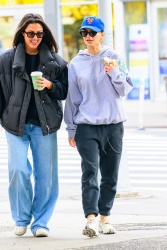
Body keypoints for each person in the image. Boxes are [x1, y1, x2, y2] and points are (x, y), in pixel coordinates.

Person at [64, 16, 133, 237]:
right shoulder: (76, 63)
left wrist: (113, 72)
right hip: (87, 126)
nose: (88, 37)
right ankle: (91, 219)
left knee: (110, 174)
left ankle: (105, 217)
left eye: (92, 33)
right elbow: (72, 98)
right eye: (84, 33)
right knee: (90, 172)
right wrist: (71, 128)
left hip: (113, 125)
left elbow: (125, 89)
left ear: (102, 34)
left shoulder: (115, 57)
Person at [0, 13, 68, 237]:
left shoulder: (56, 62)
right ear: (22, 34)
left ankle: (41, 222)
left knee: (46, 176)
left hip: (44, 124)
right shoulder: (7, 60)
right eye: (31, 33)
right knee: (18, 170)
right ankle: (21, 218)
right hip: (15, 124)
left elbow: (64, 90)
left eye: (39, 34)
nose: (35, 37)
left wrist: (50, 84)